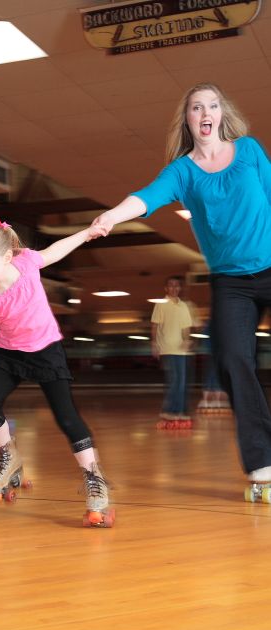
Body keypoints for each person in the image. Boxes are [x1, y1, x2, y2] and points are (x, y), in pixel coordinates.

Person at [88, 82, 271, 495]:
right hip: (231, 282)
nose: (205, 113)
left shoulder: (249, 151)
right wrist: (112, 216)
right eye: (196, 107)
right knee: (231, 360)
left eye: (212, 105)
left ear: (221, 114)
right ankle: (263, 461)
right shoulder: (182, 172)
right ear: (187, 119)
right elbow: (147, 197)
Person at [0, 219, 114, 527]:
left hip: (46, 351)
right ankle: (9, 455)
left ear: (7, 257)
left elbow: (56, 250)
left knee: (67, 417)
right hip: (10, 354)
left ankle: (94, 479)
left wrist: (87, 233)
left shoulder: (26, 263)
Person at [151, 276, 193, 423]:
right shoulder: (160, 304)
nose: (174, 288)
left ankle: (179, 411)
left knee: (181, 382)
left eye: (177, 285)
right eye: (171, 285)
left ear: (180, 288)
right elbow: (155, 325)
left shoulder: (183, 306)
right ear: (166, 288)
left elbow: (186, 327)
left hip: (181, 350)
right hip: (167, 348)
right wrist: (154, 344)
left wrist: (186, 340)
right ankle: (168, 411)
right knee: (174, 381)